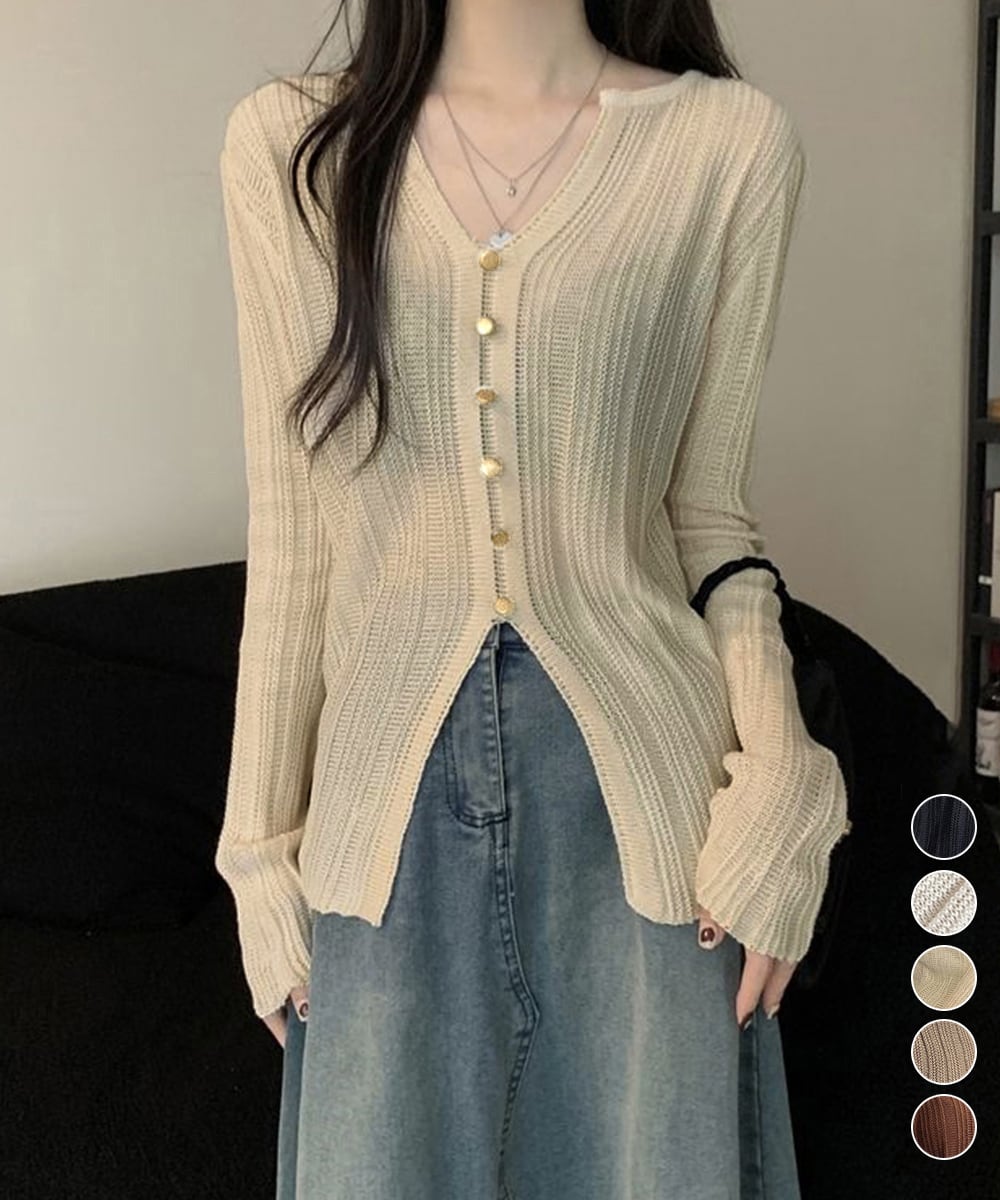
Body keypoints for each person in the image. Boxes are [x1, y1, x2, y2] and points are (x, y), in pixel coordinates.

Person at [214, 1, 851, 1196]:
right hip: (382, 849)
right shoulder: (291, 150)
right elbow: (296, 538)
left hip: (654, 847)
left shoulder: (726, 144)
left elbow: (708, 520)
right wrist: (255, 857)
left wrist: (782, 778)